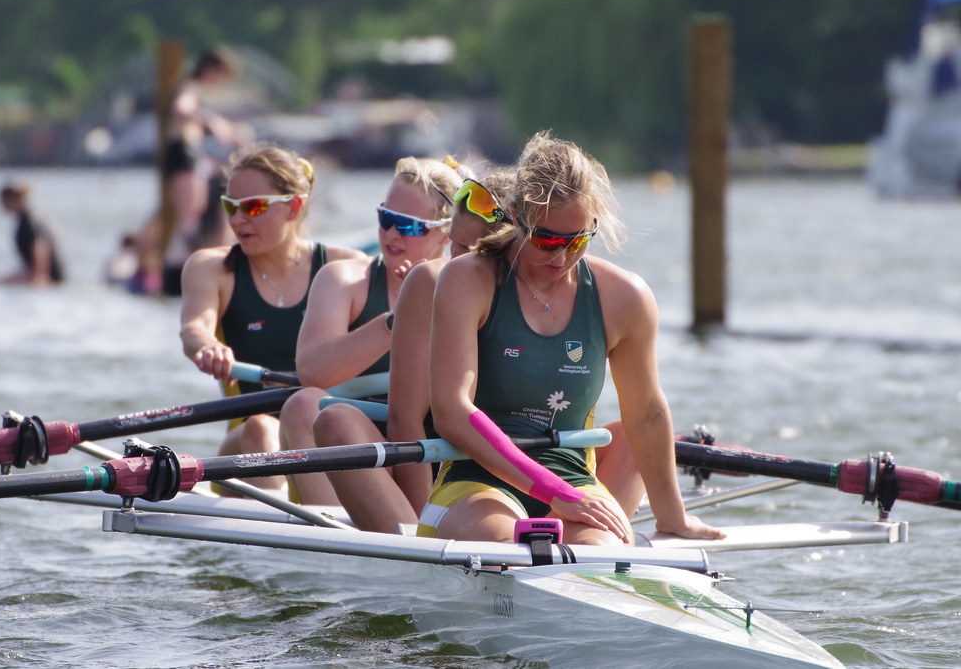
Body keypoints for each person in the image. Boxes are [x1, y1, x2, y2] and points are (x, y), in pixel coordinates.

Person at [418, 131, 726, 545]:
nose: (560, 257)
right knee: (509, 546)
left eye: (578, 240)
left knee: (600, 555)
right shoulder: (467, 280)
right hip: (474, 478)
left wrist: (674, 519)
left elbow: (647, 414)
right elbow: (452, 411)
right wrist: (552, 493)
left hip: (572, 478)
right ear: (514, 214)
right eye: (545, 239)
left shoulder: (625, 298)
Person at [312, 169, 514, 532]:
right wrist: (426, 524)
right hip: (438, 467)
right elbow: (405, 421)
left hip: (511, 466)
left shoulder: (548, 292)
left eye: (468, 250)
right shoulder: (429, 282)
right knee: (319, 411)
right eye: (386, 219)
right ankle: (406, 530)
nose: (456, 258)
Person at [178, 142, 363, 491]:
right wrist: (207, 346)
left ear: (294, 207)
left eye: (253, 207)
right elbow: (194, 327)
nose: (237, 220)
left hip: (327, 434)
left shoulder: (348, 267)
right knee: (262, 427)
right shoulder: (211, 268)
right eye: (230, 207)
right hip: (247, 443)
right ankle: (286, 527)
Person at [278, 157, 462, 506]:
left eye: (409, 226)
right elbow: (313, 371)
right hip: (353, 438)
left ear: (447, 232)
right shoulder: (343, 279)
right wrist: (399, 318)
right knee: (303, 404)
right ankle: (333, 529)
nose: (392, 234)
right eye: (387, 218)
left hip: (433, 442)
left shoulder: (467, 287)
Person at [162, 47, 248, 296]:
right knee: (188, 219)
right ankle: (173, 273)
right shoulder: (189, 87)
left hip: (193, 156)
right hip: (183, 155)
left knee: (195, 213)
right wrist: (212, 121)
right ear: (211, 70)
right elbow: (182, 109)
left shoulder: (193, 89)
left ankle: (181, 269)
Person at [0, 181, 65, 286]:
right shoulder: (31, 217)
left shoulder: (28, 222)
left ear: (12, 199)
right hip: (44, 274)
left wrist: (39, 278)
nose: (0, 205)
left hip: (48, 276)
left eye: (2, 201)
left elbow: (41, 247)